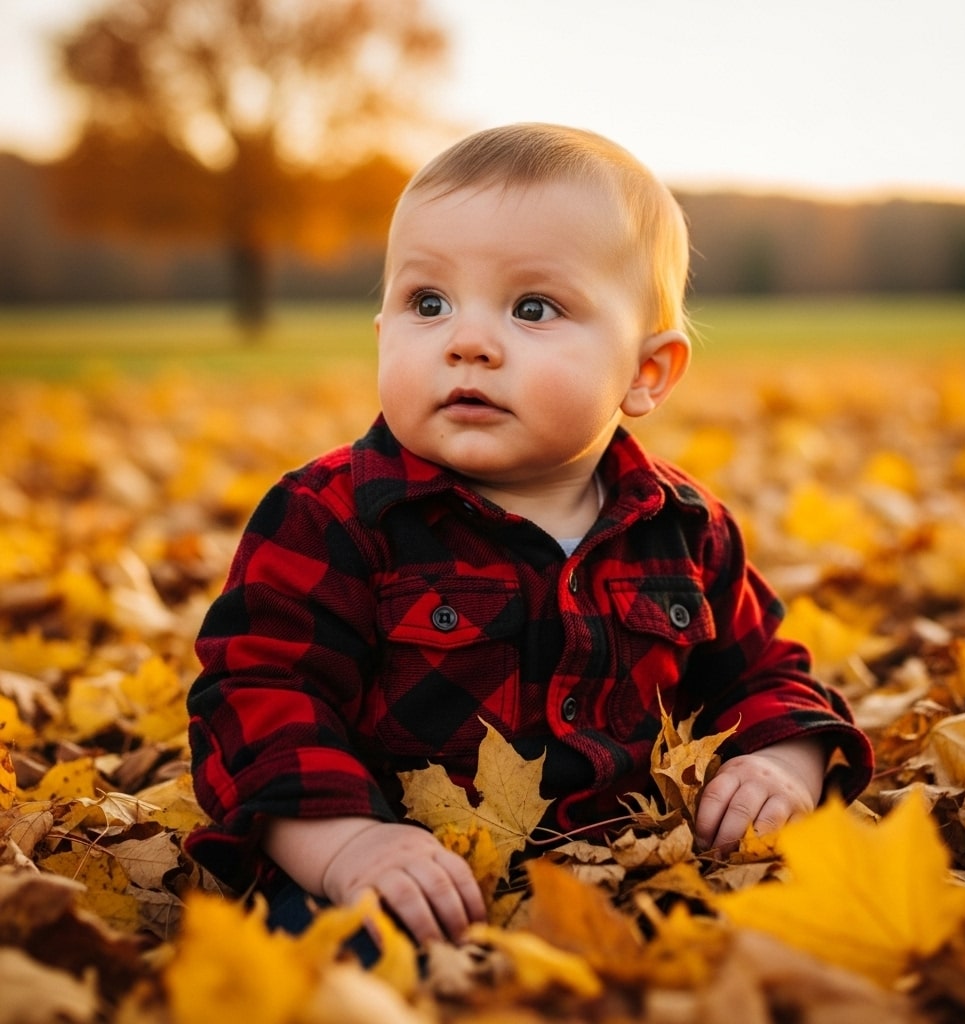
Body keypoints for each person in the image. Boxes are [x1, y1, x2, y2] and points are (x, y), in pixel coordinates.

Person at [185, 123, 874, 947]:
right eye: (427, 304)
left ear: (645, 373)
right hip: (405, 884)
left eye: (532, 308)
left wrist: (779, 763)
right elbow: (257, 697)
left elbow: (768, 675)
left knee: (800, 929)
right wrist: (347, 844)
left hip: (640, 876)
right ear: (381, 333)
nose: (467, 343)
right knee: (345, 952)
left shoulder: (686, 531)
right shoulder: (334, 516)